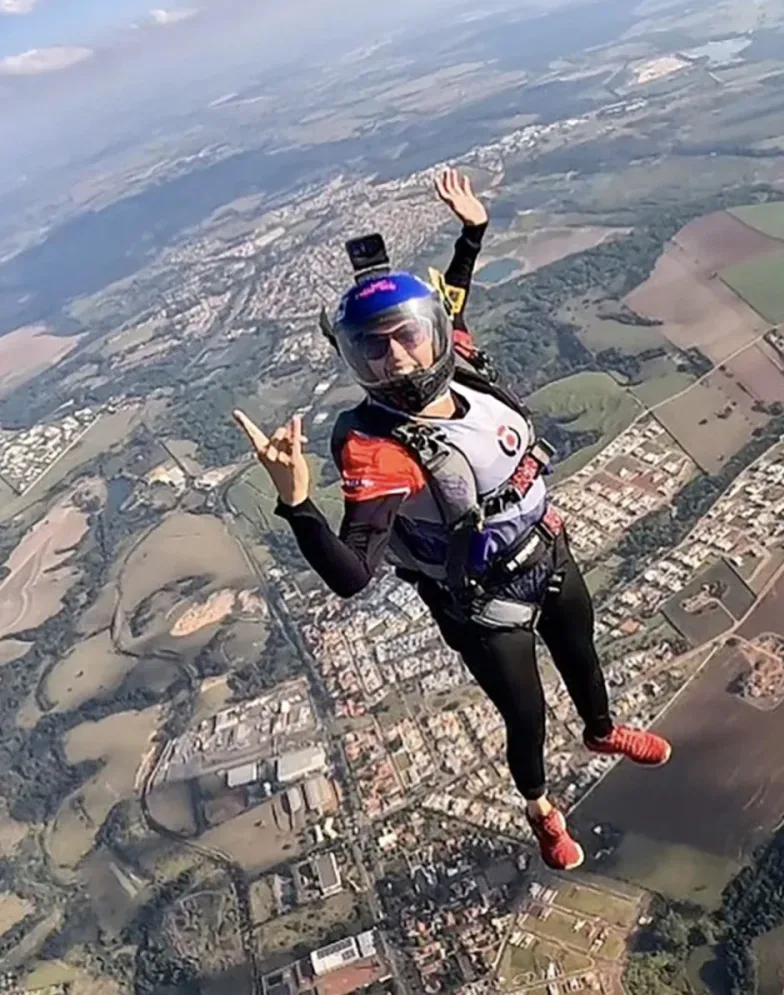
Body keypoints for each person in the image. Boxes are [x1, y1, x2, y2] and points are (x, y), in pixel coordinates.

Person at [232, 168, 671, 871]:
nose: (397, 355)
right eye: (374, 346)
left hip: (545, 550)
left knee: (582, 656)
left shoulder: (459, 356)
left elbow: (451, 302)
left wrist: (472, 233)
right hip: (480, 598)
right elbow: (352, 574)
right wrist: (296, 501)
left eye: (406, 336)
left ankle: (602, 730)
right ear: (354, 359)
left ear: (431, 333)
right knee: (524, 715)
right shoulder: (379, 446)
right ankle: (542, 810)